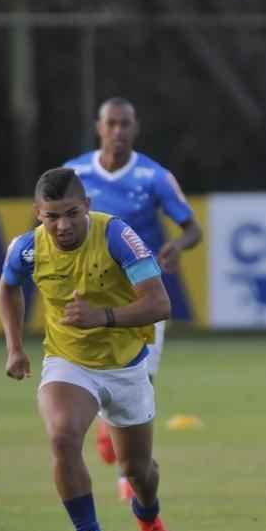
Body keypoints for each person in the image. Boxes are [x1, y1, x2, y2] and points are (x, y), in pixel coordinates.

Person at [0, 167, 173, 531]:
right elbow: (8, 287)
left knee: (138, 471)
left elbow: (160, 304)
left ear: (87, 207)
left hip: (126, 365)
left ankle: (148, 515)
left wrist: (103, 316)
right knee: (62, 436)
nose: (62, 225)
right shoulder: (27, 248)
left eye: (72, 214)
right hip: (68, 361)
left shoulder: (117, 236)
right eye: (52, 216)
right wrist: (15, 347)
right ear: (38, 213)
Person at [63, 97, 203, 501]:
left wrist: (177, 246)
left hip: (142, 297)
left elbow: (193, 229)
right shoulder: (74, 173)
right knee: (87, 373)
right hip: (90, 297)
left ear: (134, 127)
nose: (118, 131)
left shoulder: (154, 177)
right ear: (99, 127)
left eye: (125, 124)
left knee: (142, 379)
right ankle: (107, 423)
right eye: (111, 124)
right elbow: (51, 223)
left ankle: (130, 470)